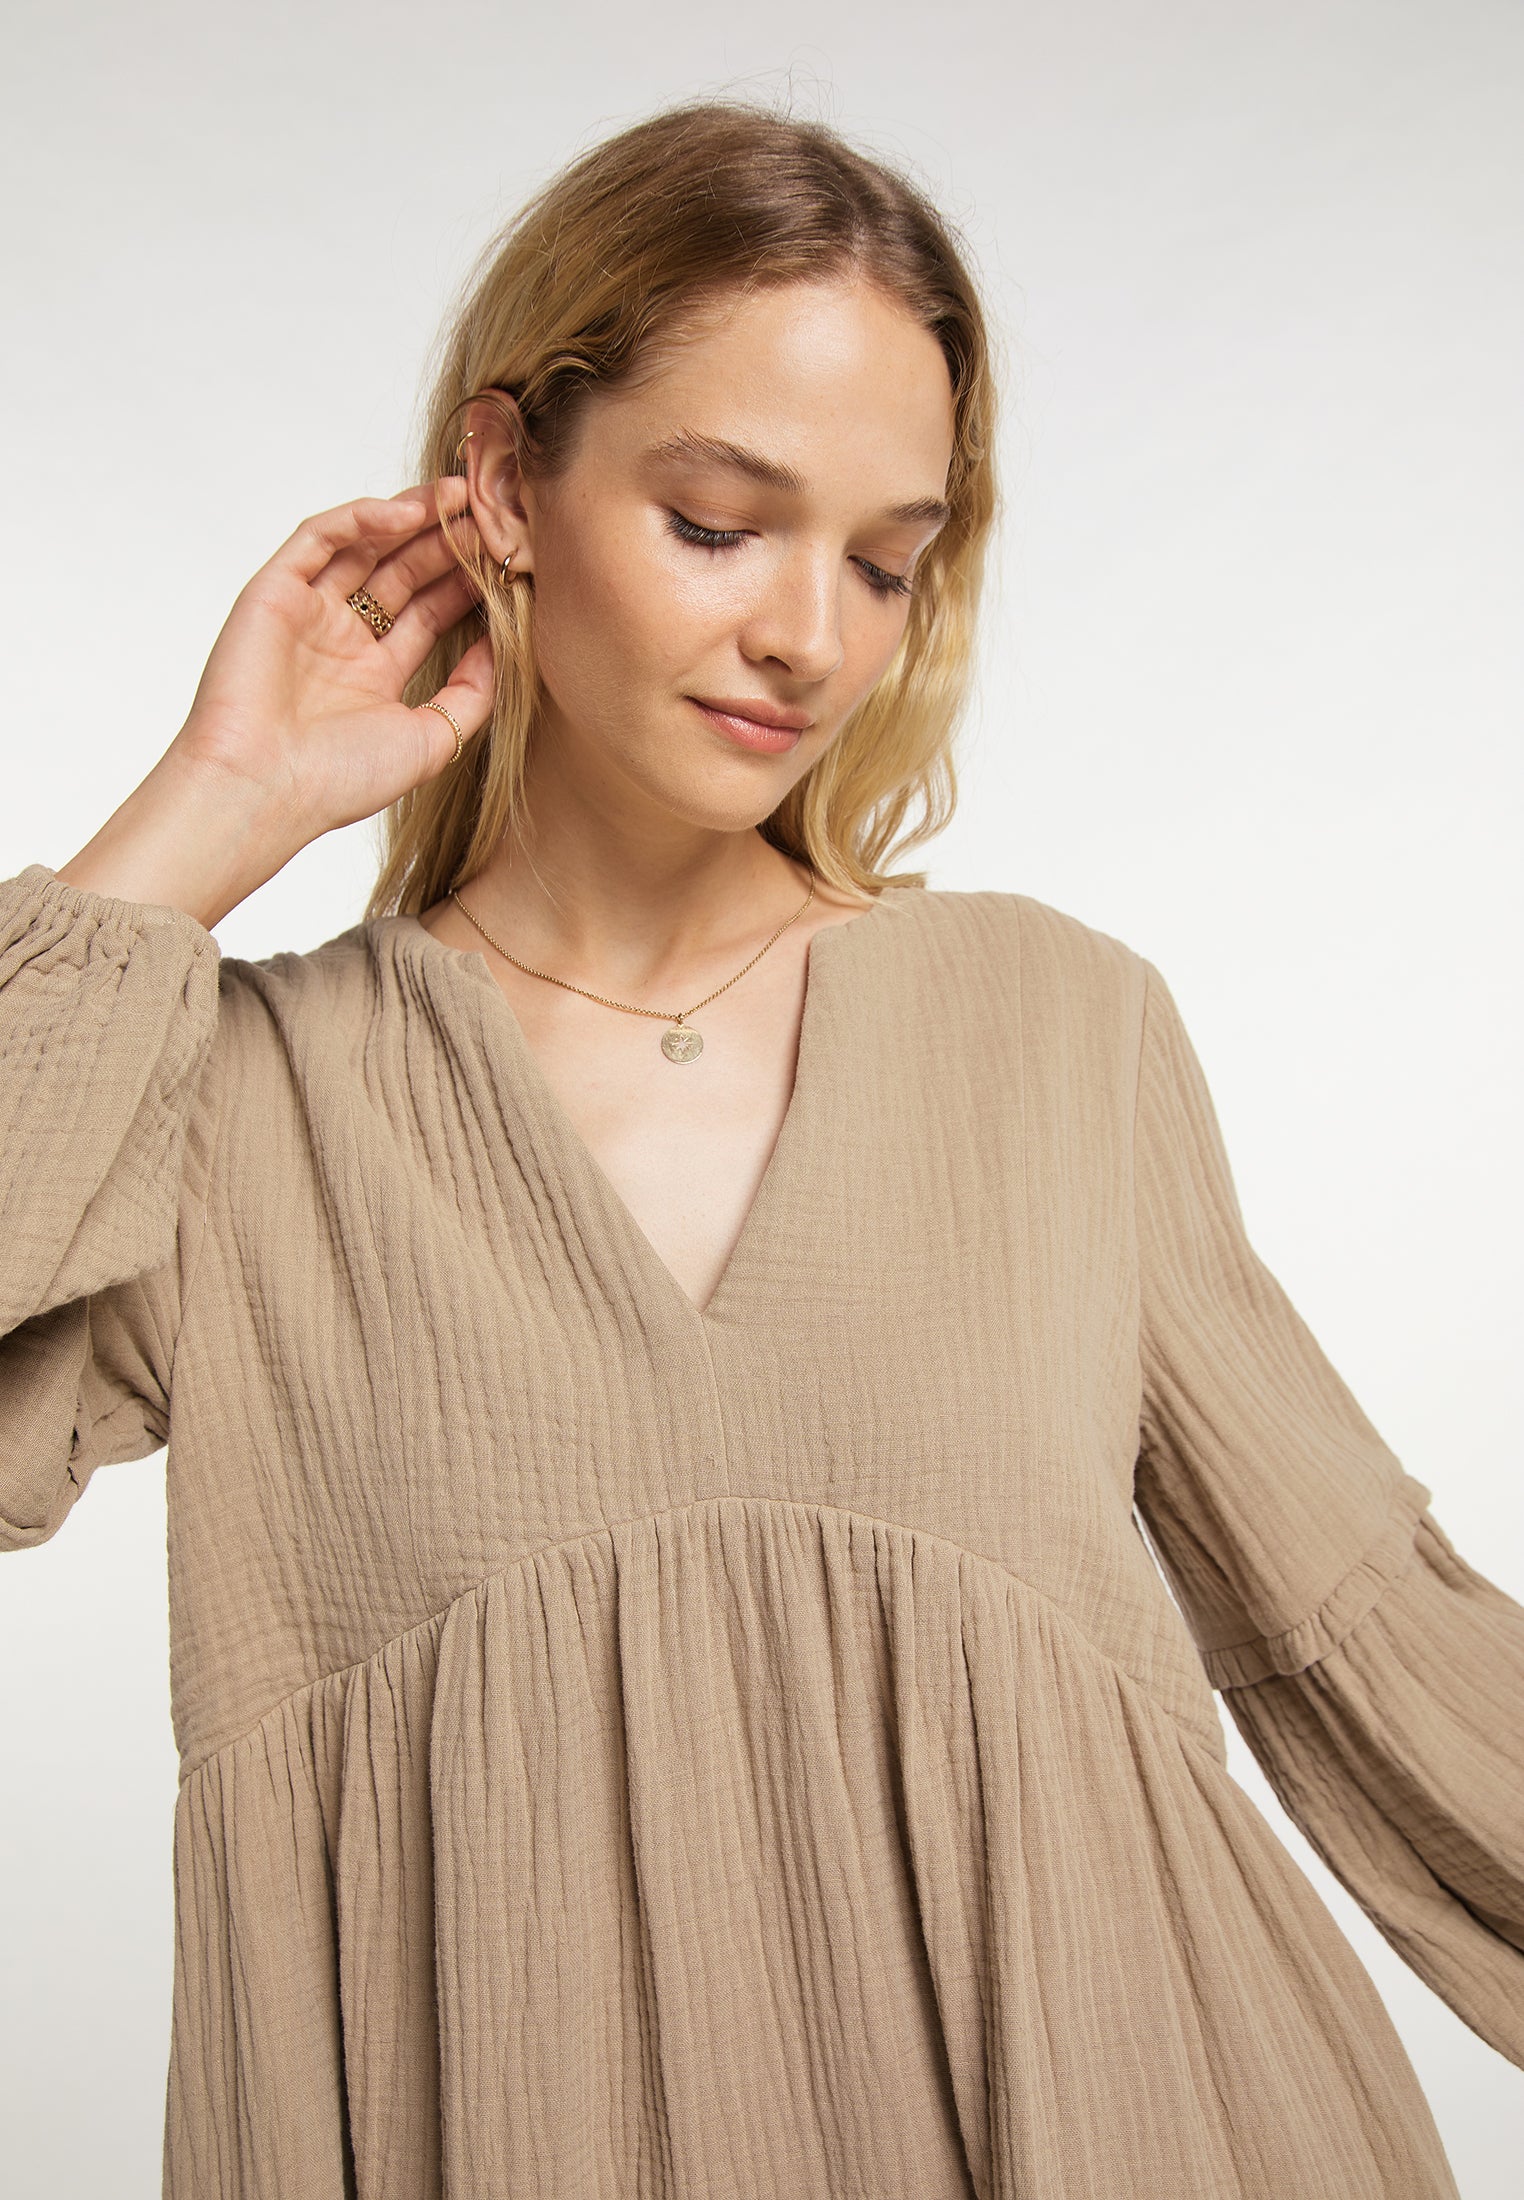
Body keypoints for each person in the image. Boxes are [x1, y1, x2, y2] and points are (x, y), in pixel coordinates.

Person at [1, 95, 1519, 2200]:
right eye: (721, 523)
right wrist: (207, 810)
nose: (814, 633)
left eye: (886, 561)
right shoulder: (247, 1106)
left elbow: (1373, 1637)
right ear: (505, 483)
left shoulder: (1056, 1030)